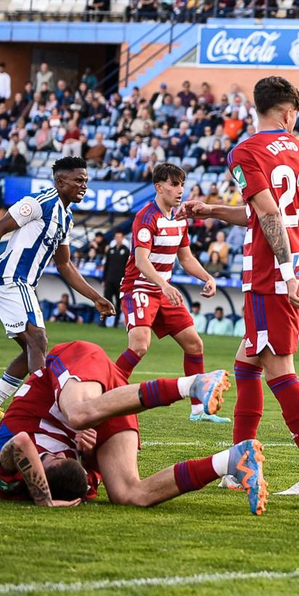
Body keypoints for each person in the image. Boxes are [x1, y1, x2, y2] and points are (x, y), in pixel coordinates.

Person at [181, 76, 299, 497]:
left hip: (273, 274)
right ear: (288, 113)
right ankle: (238, 463)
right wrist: (212, 210)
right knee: (247, 364)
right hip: (295, 265)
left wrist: (283, 276)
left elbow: (269, 216)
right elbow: (265, 213)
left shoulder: (247, 150)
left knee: (279, 371)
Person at [0, 340, 265, 515]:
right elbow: (92, 470)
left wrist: (44, 500)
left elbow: (23, 442)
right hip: (109, 401)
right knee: (129, 494)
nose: (58, 454)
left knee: (80, 415)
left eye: (50, 457)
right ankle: (232, 461)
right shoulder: (77, 484)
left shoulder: (3, 478)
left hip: (70, 376)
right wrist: (88, 453)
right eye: (62, 458)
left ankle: (192, 384)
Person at [0, 157, 116, 418]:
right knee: (38, 340)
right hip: (10, 278)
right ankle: (44, 408)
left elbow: (65, 265)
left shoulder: (66, 217)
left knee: (33, 346)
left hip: (23, 284)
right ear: (60, 181)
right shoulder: (38, 203)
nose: (84, 185)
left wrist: (95, 298)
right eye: (78, 180)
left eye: (86, 180)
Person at [113, 163, 224, 423]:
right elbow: (141, 261)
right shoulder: (146, 216)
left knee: (195, 344)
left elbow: (185, 258)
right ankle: (107, 393)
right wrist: (164, 284)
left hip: (164, 291)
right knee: (139, 346)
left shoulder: (180, 218)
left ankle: (198, 410)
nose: (180, 190)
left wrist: (208, 277)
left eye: (182, 184)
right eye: (174, 184)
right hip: (139, 287)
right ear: (158, 187)